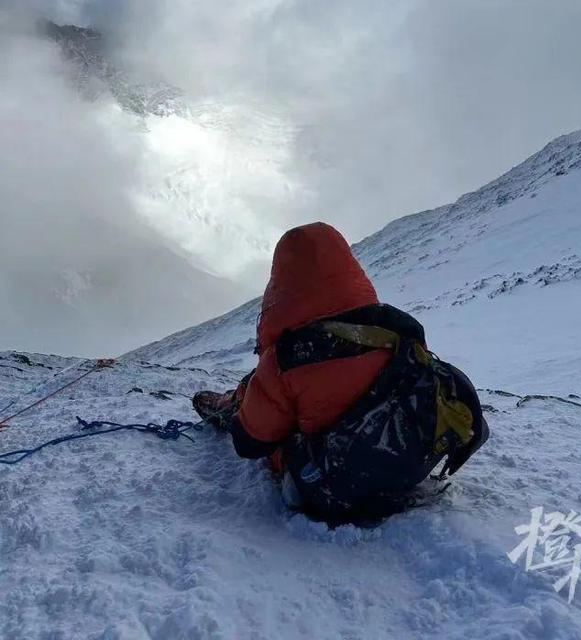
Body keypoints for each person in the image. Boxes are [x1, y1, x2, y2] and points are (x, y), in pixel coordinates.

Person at [193, 222, 488, 522]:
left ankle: (230, 405)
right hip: (405, 463)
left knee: (270, 415)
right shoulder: (395, 328)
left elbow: (250, 442)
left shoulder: (287, 357)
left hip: (330, 486)